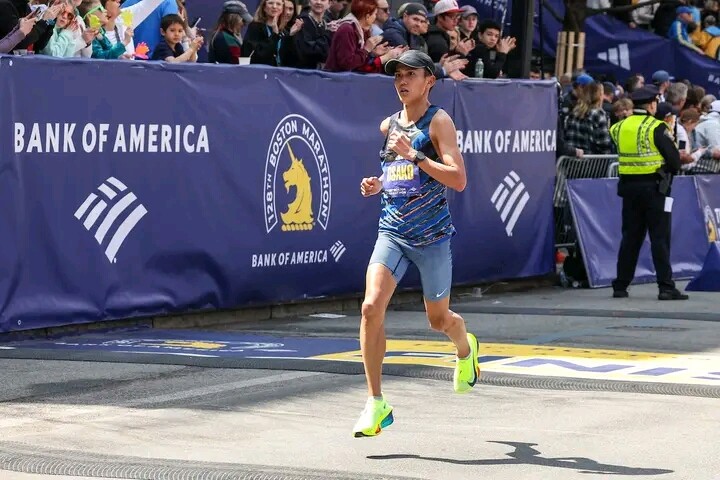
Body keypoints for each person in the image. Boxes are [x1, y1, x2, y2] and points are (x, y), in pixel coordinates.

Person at [353, 50, 479, 438]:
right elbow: (397, 173)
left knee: (439, 321)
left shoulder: (439, 122)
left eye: (411, 75)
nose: (403, 82)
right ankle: (376, 402)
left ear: (429, 82)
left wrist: (416, 155)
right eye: (398, 76)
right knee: (370, 307)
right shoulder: (388, 125)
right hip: (392, 232)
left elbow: (458, 179)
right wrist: (378, 184)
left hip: (432, 237)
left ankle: (465, 347)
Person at [608, 85, 688, 301]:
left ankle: (620, 285)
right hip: (655, 189)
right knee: (659, 238)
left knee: (630, 238)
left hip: (628, 189)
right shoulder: (657, 127)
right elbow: (674, 160)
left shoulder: (618, 127)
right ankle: (665, 287)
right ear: (652, 105)